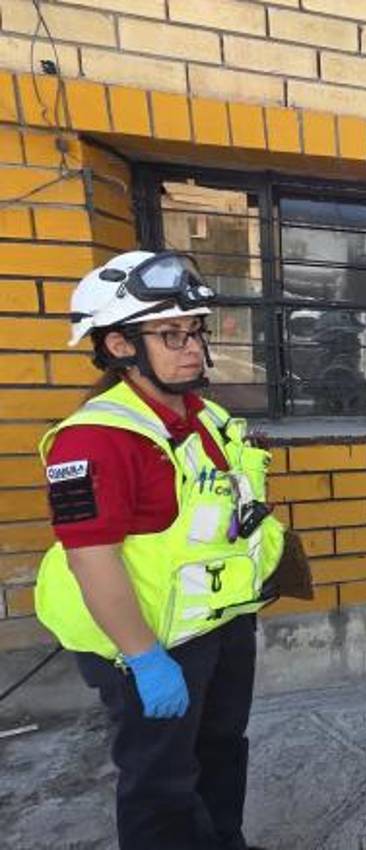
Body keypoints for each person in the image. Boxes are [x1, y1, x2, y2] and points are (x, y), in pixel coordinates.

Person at [34, 250, 285, 850]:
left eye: (195, 331)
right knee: (161, 786)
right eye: (171, 335)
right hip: (147, 644)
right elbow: (90, 556)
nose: (193, 347)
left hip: (218, 628)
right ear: (119, 345)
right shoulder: (94, 439)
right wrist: (144, 658)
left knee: (223, 751)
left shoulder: (203, 415)